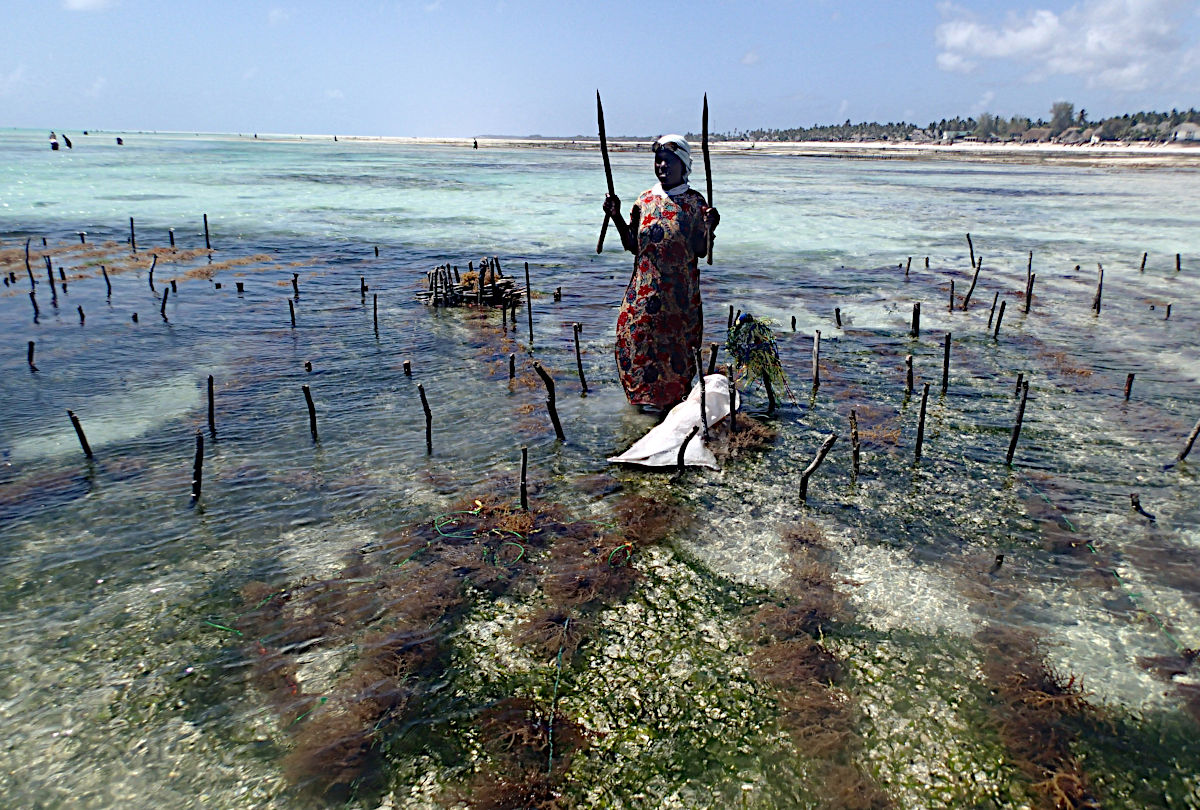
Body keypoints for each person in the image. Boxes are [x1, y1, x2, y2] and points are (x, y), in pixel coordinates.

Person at [602, 134, 719, 412]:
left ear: (683, 165)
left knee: (676, 358)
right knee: (632, 346)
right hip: (642, 296)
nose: (662, 166)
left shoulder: (695, 203)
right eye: (658, 161)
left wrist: (711, 226)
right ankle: (637, 417)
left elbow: (701, 251)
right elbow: (632, 244)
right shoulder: (644, 201)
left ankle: (669, 415)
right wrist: (616, 215)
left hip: (680, 302)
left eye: (668, 161)